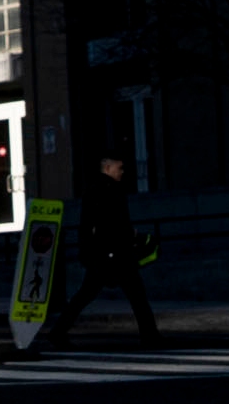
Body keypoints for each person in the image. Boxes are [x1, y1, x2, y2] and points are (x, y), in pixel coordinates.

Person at [45, 149, 158, 351]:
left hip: (102, 255)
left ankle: (58, 332)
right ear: (108, 167)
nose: (122, 171)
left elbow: (89, 226)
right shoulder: (110, 190)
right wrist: (130, 237)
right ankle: (150, 337)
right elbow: (113, 224)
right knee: (137, 296)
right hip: (115, 254)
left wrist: (88, 252)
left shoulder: (94, 189)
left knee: (86, 295)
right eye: (119, 167)